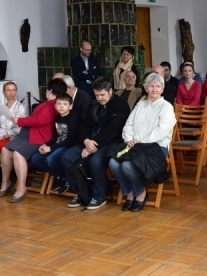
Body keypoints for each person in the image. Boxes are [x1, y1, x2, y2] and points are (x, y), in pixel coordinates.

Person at [109, 72, 176, 212]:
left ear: (162, 89)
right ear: (146, 88)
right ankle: (130, 192)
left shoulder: (166, 107)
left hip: (155, 148)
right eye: (151, 86)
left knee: (127, 165)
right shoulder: (140, 104)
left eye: (158, 86)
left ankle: (140, 193)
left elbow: (162, 131)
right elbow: (128, 124)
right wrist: (128, 138)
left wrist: (141, 142)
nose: (154, 89)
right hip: (134, 145)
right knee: (113, 162)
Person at [61, 78, 130, 210]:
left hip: (112, 143)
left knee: (95, 161)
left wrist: (92, 147)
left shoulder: (121, 105)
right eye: (97, 95)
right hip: (90, 141)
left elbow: (112, 131)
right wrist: (86, 141)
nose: (99, 98)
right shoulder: (94, 104)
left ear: (110, 91)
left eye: (102, 95)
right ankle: (82, 193)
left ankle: (99, 196)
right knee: (66, 158)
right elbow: (84, 125)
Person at [0, 78, 68, 203]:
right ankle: (5, 182)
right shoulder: (48, 104)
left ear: (50, 91)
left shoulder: (54, 105)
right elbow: (36, 118)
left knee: (18, 154)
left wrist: (20, 120)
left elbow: (40, 120)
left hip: (40, 137)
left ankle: (21, 187)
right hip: (29, 133)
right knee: (5, 150)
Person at [30, 93, 83, 187]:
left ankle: (64, 177)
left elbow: (70, 140)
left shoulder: (74, 118)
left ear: (70, 106)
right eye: (59, 104)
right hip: (57, 144)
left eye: (65, 104)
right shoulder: (57, 118)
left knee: (51, 159)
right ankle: (60, 175)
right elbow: (55, 136)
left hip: (68, 146)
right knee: (35, 159)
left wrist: (51, 148)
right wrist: (46, 144)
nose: (61, 106)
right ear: (55, 106)